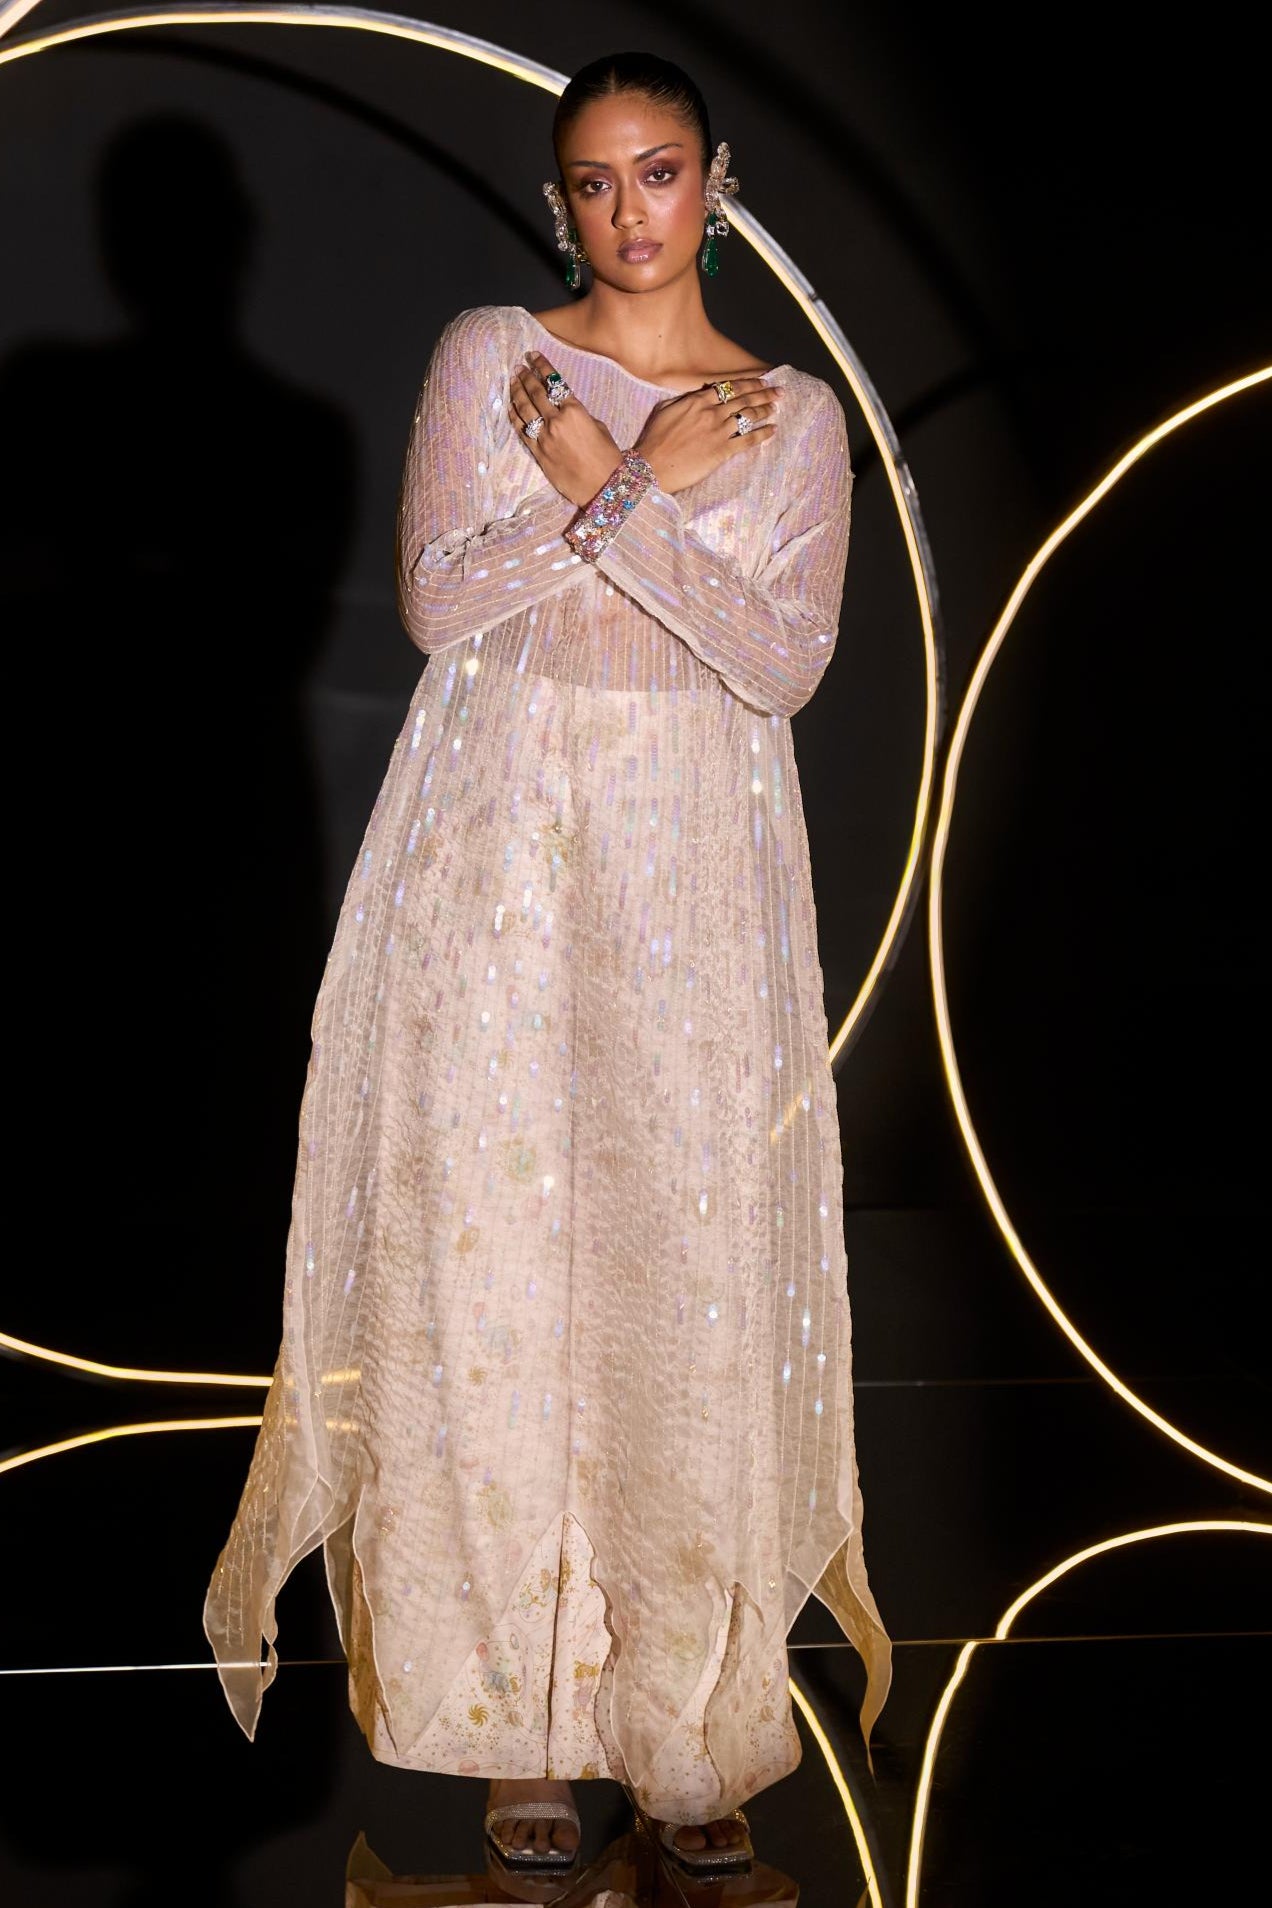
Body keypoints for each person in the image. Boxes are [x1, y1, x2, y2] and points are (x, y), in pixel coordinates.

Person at [205, 47, 892, 1884]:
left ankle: (686, 1725)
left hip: (695, 869)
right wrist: (619, 480)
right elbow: (442, 601)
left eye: (659, 172)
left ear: (716, 183)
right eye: (595, 180)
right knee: (490, 1267)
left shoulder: (790, 417)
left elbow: (781, 662)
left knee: (684, 1277)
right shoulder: (490, 358)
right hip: (499, 848)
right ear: (559, 200)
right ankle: (512, 1717)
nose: (628, 210)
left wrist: (613, 494)